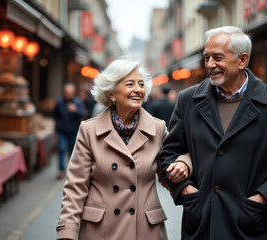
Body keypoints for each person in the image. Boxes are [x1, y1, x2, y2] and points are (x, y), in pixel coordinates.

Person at [160, 26, 267, 239]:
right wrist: (184, 189)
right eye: (207, 57)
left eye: (218, 57)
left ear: (242, 60)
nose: (210, 64)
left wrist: (265, 197)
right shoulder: (188, 100)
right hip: (201, 223)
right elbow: (169, 152)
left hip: (248, 226)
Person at [56, 57, 192, 240]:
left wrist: (184, 163)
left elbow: (171, 165)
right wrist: (67, 231)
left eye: (141, 84)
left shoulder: (157, 129)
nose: (138, 90)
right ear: (112, 93)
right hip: (100, 230)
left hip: (145, 230)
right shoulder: (89, 130)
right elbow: (75, 187)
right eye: (130, 84)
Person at [52, 83, 85, 179]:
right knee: (62, 149)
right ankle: (61, 170)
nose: (68, 94)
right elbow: (54, 114)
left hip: (74, 131)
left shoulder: (78, 102)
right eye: (66, 92)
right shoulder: (60, 102)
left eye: (70, 92)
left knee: (72, 151)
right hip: (62, 131)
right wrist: (59, 124)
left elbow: (83, 114)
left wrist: (75, 110)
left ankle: (71, 170)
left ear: (73, 93)